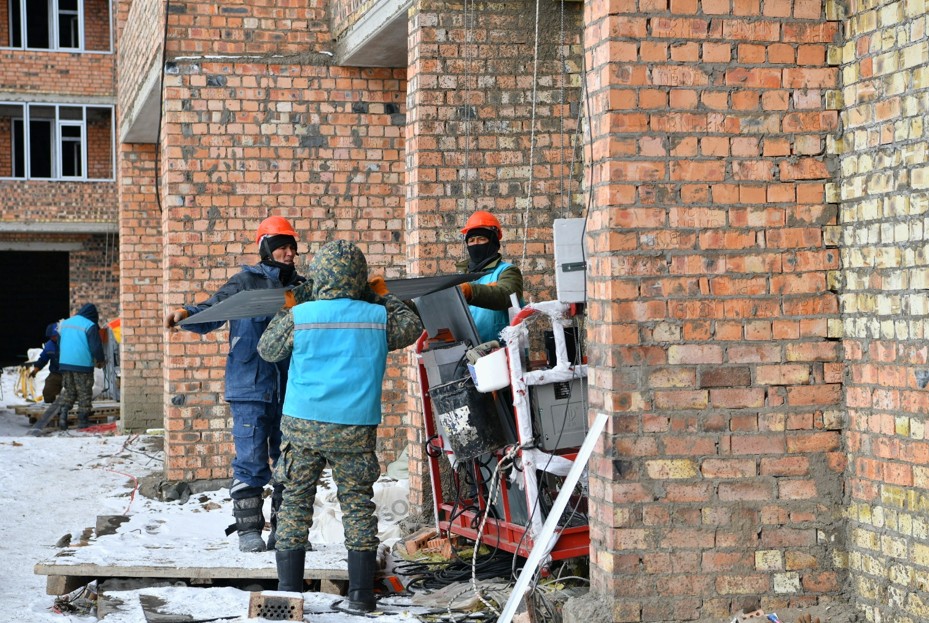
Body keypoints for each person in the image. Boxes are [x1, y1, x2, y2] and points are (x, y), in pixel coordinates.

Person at [257, 240, 422, 611]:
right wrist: (382, 295)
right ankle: (361, 596)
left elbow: (267, 350)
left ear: (319, 276)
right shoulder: (376, 316)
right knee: (358, 507)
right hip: (354, 426)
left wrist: (292, 305)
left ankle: (289, 592)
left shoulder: (302, 315)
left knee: (296, 504)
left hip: (303, 425)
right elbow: (412, 326)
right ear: (360, 278)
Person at [163, 215, 312, 553]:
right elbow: (213, 310)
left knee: (291, 463)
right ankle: (249, 531)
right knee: (250, 459)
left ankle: (287, 534)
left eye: (292, 247)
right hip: (250, 387)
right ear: (266, 249)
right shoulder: (244, 283)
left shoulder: (303, 288)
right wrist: (186, 315)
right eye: (282, 247)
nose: (289, 253)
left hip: (294, 388)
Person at [456, 210, 524, 343]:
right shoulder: (462, 276)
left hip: (502, 351)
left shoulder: (508, 271)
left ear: (493, 241)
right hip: (469, 351)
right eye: (471, 240)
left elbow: (506, 294)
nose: (476, 244)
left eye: (481, 239)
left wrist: (470, 291)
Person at [58, 304, 105, 430]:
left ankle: (63, 416)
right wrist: (100, 359)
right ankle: (83, 420)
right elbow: (95, 347)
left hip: (65, 363)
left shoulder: (65, 323)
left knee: (69, 390)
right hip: (82, 363)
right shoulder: (89, 325)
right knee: (84, 392)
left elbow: (59, 342)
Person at [28, 322, 62, 403]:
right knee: (48, 393)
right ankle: (51, 407)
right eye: (51, 336)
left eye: (55, 335)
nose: (53, 338)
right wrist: (35, 370)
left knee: (73, 393)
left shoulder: (69, 343)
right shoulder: (49, 346)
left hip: (70, 372)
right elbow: (43, 359)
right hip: (56, 373)